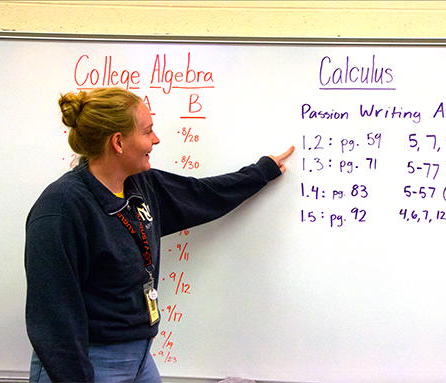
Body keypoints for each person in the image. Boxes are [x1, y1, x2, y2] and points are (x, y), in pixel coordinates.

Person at [25, 87, 294, 383]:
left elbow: (202, 196)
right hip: (88, 363)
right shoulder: (62, 209)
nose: (156, 140)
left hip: (140, 357)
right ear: (118, 142)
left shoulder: (141, 185)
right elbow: (54, 318)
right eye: (148, 131)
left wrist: (261, 172)